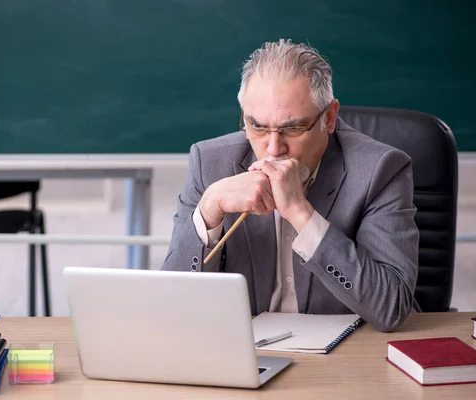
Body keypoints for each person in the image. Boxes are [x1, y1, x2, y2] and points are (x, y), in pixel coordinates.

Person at [161, 39, 420, 332]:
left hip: (347, 355)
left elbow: (391, 308)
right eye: (257, 126)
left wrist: (301, 213)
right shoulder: (209, 163)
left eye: (293, 128)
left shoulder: (380, 169)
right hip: (246, 352)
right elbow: (172, 305)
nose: (273, 149)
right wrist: (208, 211)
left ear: (330, 117)